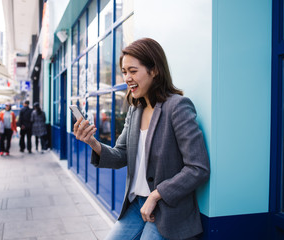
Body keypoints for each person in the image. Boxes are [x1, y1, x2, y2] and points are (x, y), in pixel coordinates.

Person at [73, 38, 210, 240]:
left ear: (154, 70)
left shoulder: (177, 107)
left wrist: (156, 195)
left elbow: (198, 168)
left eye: (133, 71)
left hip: (167, 209)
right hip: (136, 205)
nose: (127, 77)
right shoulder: (135, 110)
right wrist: (92, 142)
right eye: (124, 71)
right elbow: (121, 155)